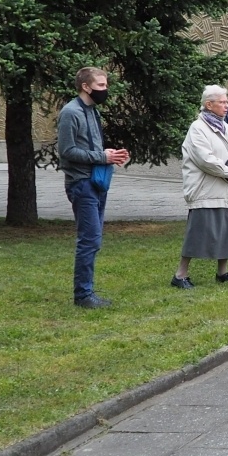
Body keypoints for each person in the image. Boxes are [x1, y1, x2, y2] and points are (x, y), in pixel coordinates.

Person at [57, 66, 131, 308]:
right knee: (89, 240)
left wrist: (111, 155)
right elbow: (67, 151)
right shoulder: (70, 112)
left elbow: (94, 149)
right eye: (100, 85)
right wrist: (102, 157)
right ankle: (83, 296)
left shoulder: (92, 111)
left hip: (97, 181)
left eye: (106, 85)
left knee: (94, 239)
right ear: (85, 87)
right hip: (81, 183)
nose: (105, 90)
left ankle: (86, 292)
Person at [173, 85, 228, 288]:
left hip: (226, 188)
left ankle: (222, 273)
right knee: (197, 232)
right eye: (222, 102)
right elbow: (205, 160)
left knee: (226, 231)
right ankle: (180, 275)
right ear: (209, 105)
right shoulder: (197, 128)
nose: (227, 105)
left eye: (226, 101)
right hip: (205, 189)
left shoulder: (224, 126)